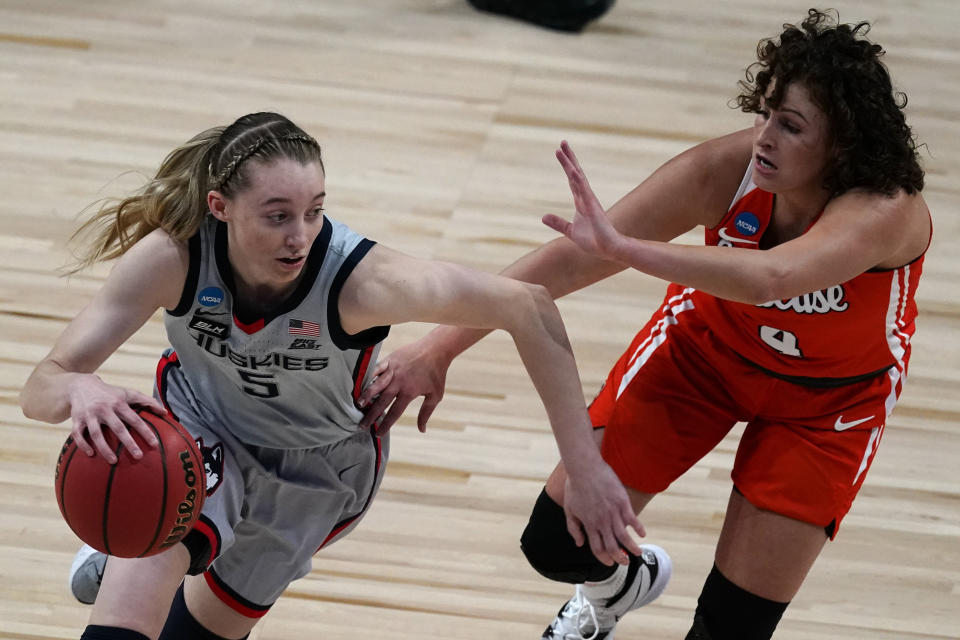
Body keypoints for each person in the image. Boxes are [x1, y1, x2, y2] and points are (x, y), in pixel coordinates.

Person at [357, 9, 930, 639]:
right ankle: (618, 589)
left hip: (830, 406)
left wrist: (624, 249)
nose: (763, 136)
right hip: (705, 358)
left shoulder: (885, 210)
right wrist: (440, 347)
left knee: (731, 628)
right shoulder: (728, 168)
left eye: (790, 126)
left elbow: (775, 278)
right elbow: (567, 262)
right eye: (763, 113)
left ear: (843, 145)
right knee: (556, 542)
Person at [18, 112, 650, 640]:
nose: (300, 236)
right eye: (277, 215)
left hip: (313, 471)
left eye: (314, 211)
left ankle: (137, 533)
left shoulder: (358, 280)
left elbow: (528, 305)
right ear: (220, 207)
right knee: (131, 604)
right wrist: (80, 386)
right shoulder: (172, 257)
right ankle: (137, 527)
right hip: (198, 436)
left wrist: (585, 465)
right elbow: (41, 385)